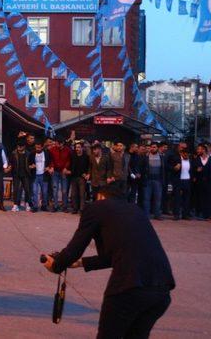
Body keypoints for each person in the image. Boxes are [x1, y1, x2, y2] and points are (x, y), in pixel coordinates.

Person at [42, 186, 175, 338]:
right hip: (162, 290)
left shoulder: (96, 208)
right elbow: (113, 256)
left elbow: (75, 248)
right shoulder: (135, 210)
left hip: (129, 287)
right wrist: (81, 263)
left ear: (100, 196)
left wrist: (57, 265)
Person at [138, 142, 167, 220]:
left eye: (154, 147)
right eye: (151, 147)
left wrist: (162, 180)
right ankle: (146, 215)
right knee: (146, 199)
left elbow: (164, 169)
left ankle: (157, 215)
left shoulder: (162, 157)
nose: (153, 148)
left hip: (158, 180)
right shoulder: (145, 157)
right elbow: (140, 167)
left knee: (158, 199)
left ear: (157, 148)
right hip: (147, 180)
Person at [9, 139, 34, 212]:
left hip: (26, 174)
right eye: (18, 146)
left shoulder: (28, 154)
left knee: (27, 190)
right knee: (16, 190)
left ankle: (27, 204)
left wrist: (32, 166)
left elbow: (32, 163)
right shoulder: (13, 153)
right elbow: (10, 162)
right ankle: (15, 205)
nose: (19, 148)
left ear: (24, 146)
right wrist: (9, 166)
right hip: (16, 174)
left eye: (21, 146)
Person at [49, 139, 72, 212]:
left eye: (58, 143)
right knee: (55, 189)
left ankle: (64, 206)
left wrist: (66, 168)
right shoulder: (52, 149)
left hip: (63, 171)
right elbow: (50, 159)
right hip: (55, 171)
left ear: (62, 143)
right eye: (56, 143)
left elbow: (69, 160)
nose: (56, 145)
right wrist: (52, 166)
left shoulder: (68, 150)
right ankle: (55, 206)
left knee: (64, 190)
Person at [28, 141, 52, 211]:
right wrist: (31, 166)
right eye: (36, 147)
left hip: (44, 175)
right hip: (35, 175)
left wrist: (49, 167)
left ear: (42, 147)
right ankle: (35, 206)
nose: (37, 149)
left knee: (44, 192)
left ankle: (44, 206)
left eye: (39, 147)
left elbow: (51, 162)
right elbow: (28, 164)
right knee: (35, 191)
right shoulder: (32, 154)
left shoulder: (46, 153)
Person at [67, 141, 90, 214]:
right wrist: (68, 170)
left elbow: (89, 166)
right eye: (76, 147)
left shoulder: (86, 156)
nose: (77, 149)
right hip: (73, 177)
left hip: (82, 178)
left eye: (79, 147)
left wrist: (87, 174)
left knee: (82, 194)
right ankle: (75, 208)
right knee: (74, 194)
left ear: (82, 148)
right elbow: (70, 165)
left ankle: (82, 209)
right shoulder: (73, 155)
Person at [171, 146, 192, 220]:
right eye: (185, 154)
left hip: (187, 180)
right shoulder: (177, 159)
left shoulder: (191, 160)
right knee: (177, 198)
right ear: (182, 153)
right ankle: (176, 214)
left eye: (188, 154)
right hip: (179, 181)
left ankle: (185, 214)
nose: (186, 156)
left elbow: (192, 170)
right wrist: (175, 168)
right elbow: (170, 168)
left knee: (186, 198)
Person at [191, 143, 211, 219]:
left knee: (208, 198)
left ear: (204, 150)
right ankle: (199, 213)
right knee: (199, 198)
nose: (198, 151)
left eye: (199, 149)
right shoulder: (196, 159)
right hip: (199, 182)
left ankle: (208, 214)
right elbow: (193, 169)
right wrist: (196, 170)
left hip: (209, 182)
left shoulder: (210, 159)